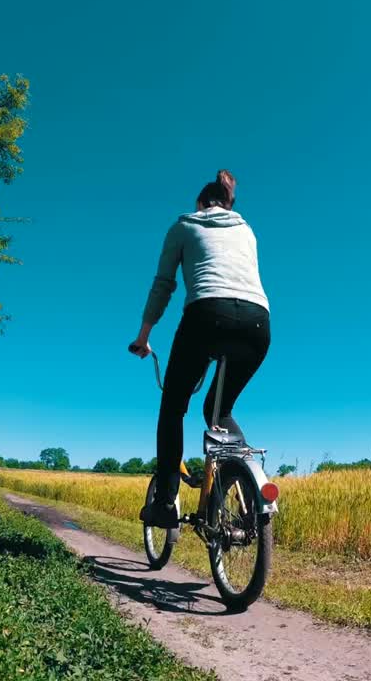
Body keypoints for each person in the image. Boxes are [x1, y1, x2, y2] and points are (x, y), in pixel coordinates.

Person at [129, 170, 270, 529]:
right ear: (226, 202)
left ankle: (164, 503)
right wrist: (231, 196)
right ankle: (239, 476)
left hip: (206, 316)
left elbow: (163, 285)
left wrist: (143, 337)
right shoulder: (246, 230)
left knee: (173, 406)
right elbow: (226, 214)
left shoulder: (183, 225)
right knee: (217, 410)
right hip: (257, 323)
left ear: (201, 204)